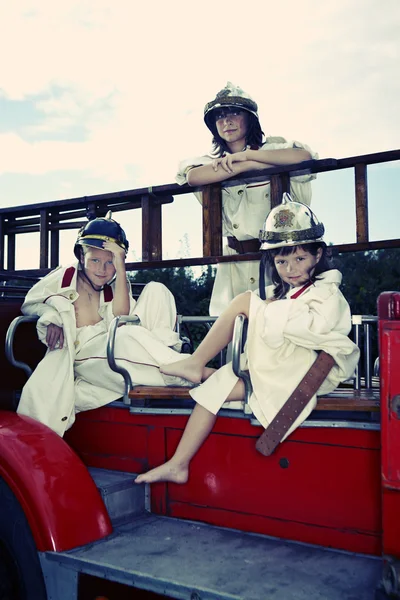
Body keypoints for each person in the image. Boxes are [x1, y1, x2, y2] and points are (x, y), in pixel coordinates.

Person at [135, 194, 360, 485]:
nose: (290, 269)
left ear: (318, 255)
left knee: (245, 301)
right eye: (281, 261)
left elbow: (313, 330)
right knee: (212, 389)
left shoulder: (328, 292)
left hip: (305, 371)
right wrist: (271, 310)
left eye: (300, 258)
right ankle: (179, 464)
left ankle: (195, 363)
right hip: (285, 368)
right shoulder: (288, 294)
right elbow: (283, 323)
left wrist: (265, 311)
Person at [17, 212, 195, 437]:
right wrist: (51, 316)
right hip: (86, 351)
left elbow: (121, 316)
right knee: (125, 337)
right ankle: (186, 368)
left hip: (116, 340)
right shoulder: (64, 277)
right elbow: (30, 302)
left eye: (109, 262)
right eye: (95, 260)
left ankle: (172, 358)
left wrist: (120, 269)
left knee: (156, 290)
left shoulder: (115, 282)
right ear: (82, 256)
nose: (101, 269)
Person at [176, 81, 318, 316]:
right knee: (233, 327)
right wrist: (242, 166)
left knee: (278, 320)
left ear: (250, 118)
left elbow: (304, 157)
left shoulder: (274, 148)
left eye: (234, 113)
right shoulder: (212, 162)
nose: (227, 121)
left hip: (279, 257)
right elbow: (192, 176)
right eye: (219, 117)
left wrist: (251, 157)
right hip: (234, 260)